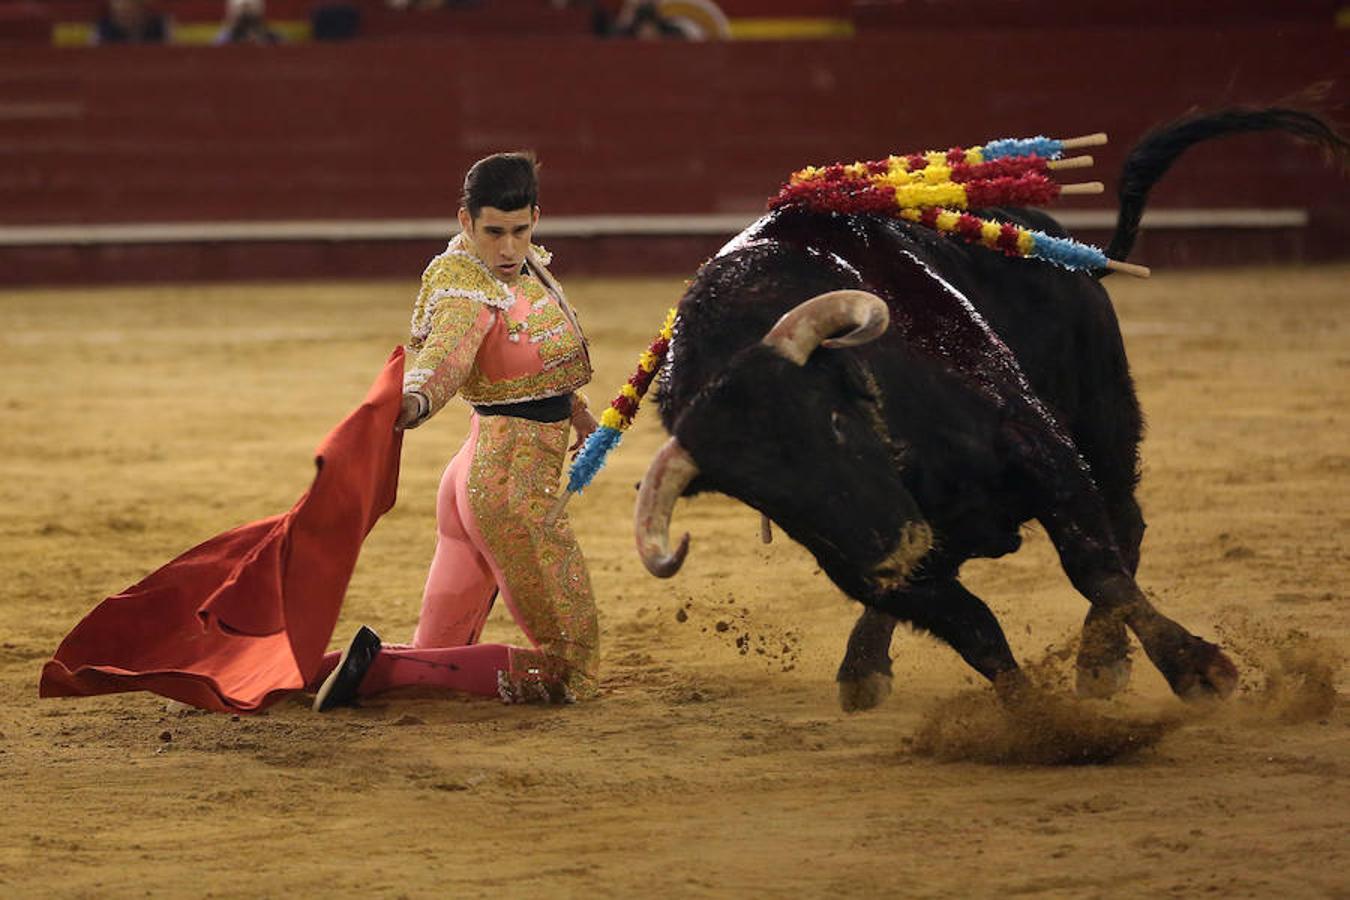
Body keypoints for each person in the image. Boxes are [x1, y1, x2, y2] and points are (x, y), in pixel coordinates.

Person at [314, 152, 601, 710]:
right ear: (465, 221)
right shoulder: (464, 287)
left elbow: (539, 362)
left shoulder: (529, 268)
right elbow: (446, 354)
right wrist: (415, 399)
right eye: (494, 232)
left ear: (536, 218)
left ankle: (312, 672)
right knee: (572, 668)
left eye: (520, 231)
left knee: (434, 655)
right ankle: (372, 675)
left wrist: (579, 412)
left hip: (474, 479)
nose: (508, 248)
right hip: (506, 493)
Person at [93, 0, 169, 43]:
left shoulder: (159, 25)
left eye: (129, 12)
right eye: (121, 14)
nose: (125, 16)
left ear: (140, 8)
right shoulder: (103, 29)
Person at [214, 0, 283, 45]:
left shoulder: (272, 37)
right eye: (242, 8)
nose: (247, 13)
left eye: (250, 8)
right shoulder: (225, 38)